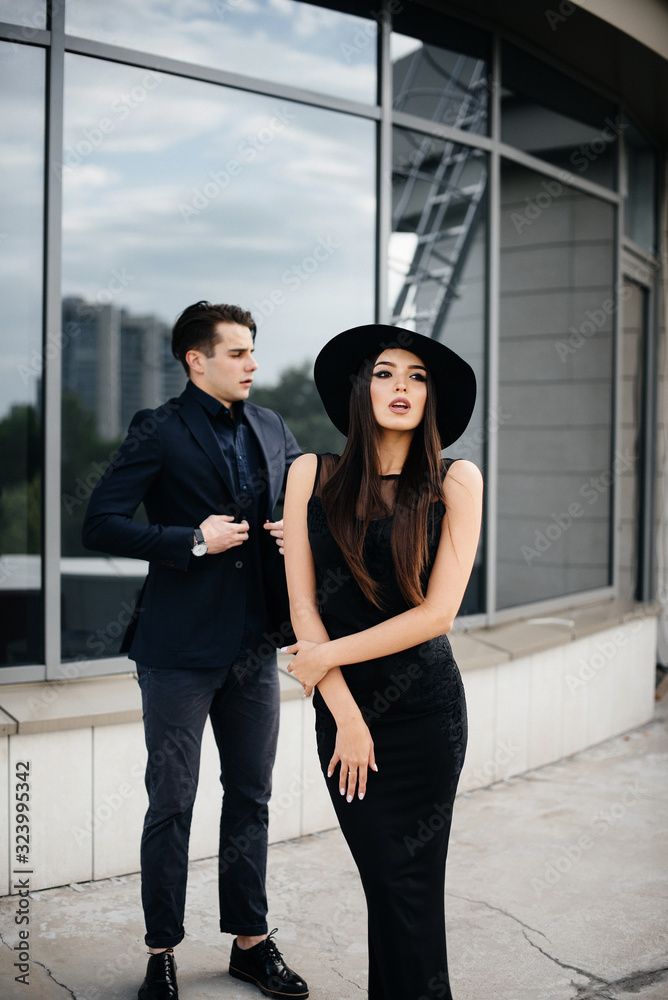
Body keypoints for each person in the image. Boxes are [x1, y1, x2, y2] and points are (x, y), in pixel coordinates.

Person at [82, 301, 308, 1000]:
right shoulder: (159, 428)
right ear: (197, 360)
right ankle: (162, 951)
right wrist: (189, 539)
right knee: (171, 801)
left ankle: (251, 943)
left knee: (251, 796)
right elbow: (101, 524)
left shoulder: (273, 427)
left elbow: (309, 506)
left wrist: (287, 528)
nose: (252, 364)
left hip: (254, 648)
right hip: (177, 651)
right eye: (238, 353)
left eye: (252, 351)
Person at [281, 324, 482, 1000]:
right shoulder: (311, 473)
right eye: (386, 372)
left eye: (417, 377)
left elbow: (437, 615)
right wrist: (346, 715)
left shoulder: (456, 481)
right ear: (359, 389)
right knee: (384, 882)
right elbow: (303, 608)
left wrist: (322, 660)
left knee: (411, 892)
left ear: (431, 400)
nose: (401, 387)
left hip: (426, 715)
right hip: (344, 717)